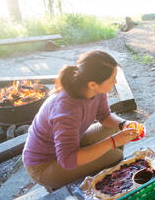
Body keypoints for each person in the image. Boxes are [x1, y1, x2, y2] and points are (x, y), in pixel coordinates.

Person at [23, 51, 140, 191]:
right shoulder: (67, 109)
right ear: (93, 84)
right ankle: (68, 184)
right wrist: (113, 142)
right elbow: (68, 159)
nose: (115, 82)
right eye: (112, 79)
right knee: (116, 155)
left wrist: (124, 124)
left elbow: (104, 116)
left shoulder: (95, 90)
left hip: (70, 145)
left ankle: (98, 169)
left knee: (115, 130)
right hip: (44, 165)